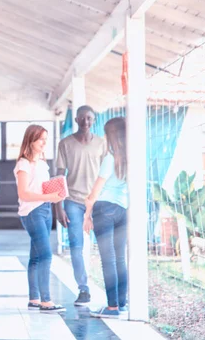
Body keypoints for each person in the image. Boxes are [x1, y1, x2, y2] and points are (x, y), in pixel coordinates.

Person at [54, 105, 105, 305]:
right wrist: (58, 207)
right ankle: (83, 289)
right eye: (82, 118)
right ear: (76, 120)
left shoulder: (102, 144)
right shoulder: (65, 144)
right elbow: (59, 175)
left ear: (94, 121)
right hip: (73, 202)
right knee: (76, 246)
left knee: (103, 247)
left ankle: (110, 290)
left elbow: (106, 175)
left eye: (89, 118)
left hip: (97, 201)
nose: (86, 122)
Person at [15, 125, 66, 313]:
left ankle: (34, 298)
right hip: (32, 212)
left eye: (46, 139)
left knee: (36, 257)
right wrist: (49, 198)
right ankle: (46, 301)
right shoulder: (23, 164)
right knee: (46, 254)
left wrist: (56, 193)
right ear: (31, 141)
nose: (44, 143)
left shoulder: (43, 164)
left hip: (45, 210)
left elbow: (41, 188)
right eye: (41, 139)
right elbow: (24, 193)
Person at [84, 117, 128, 319]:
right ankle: (121, 303)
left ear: (110, 135)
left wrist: (87, 214)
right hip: (123, 210)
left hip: (105, 209)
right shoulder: (132, 157)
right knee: (119, 258)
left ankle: (111, 308)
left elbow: (95, 192)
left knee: (108, 260)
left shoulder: (110, 158)